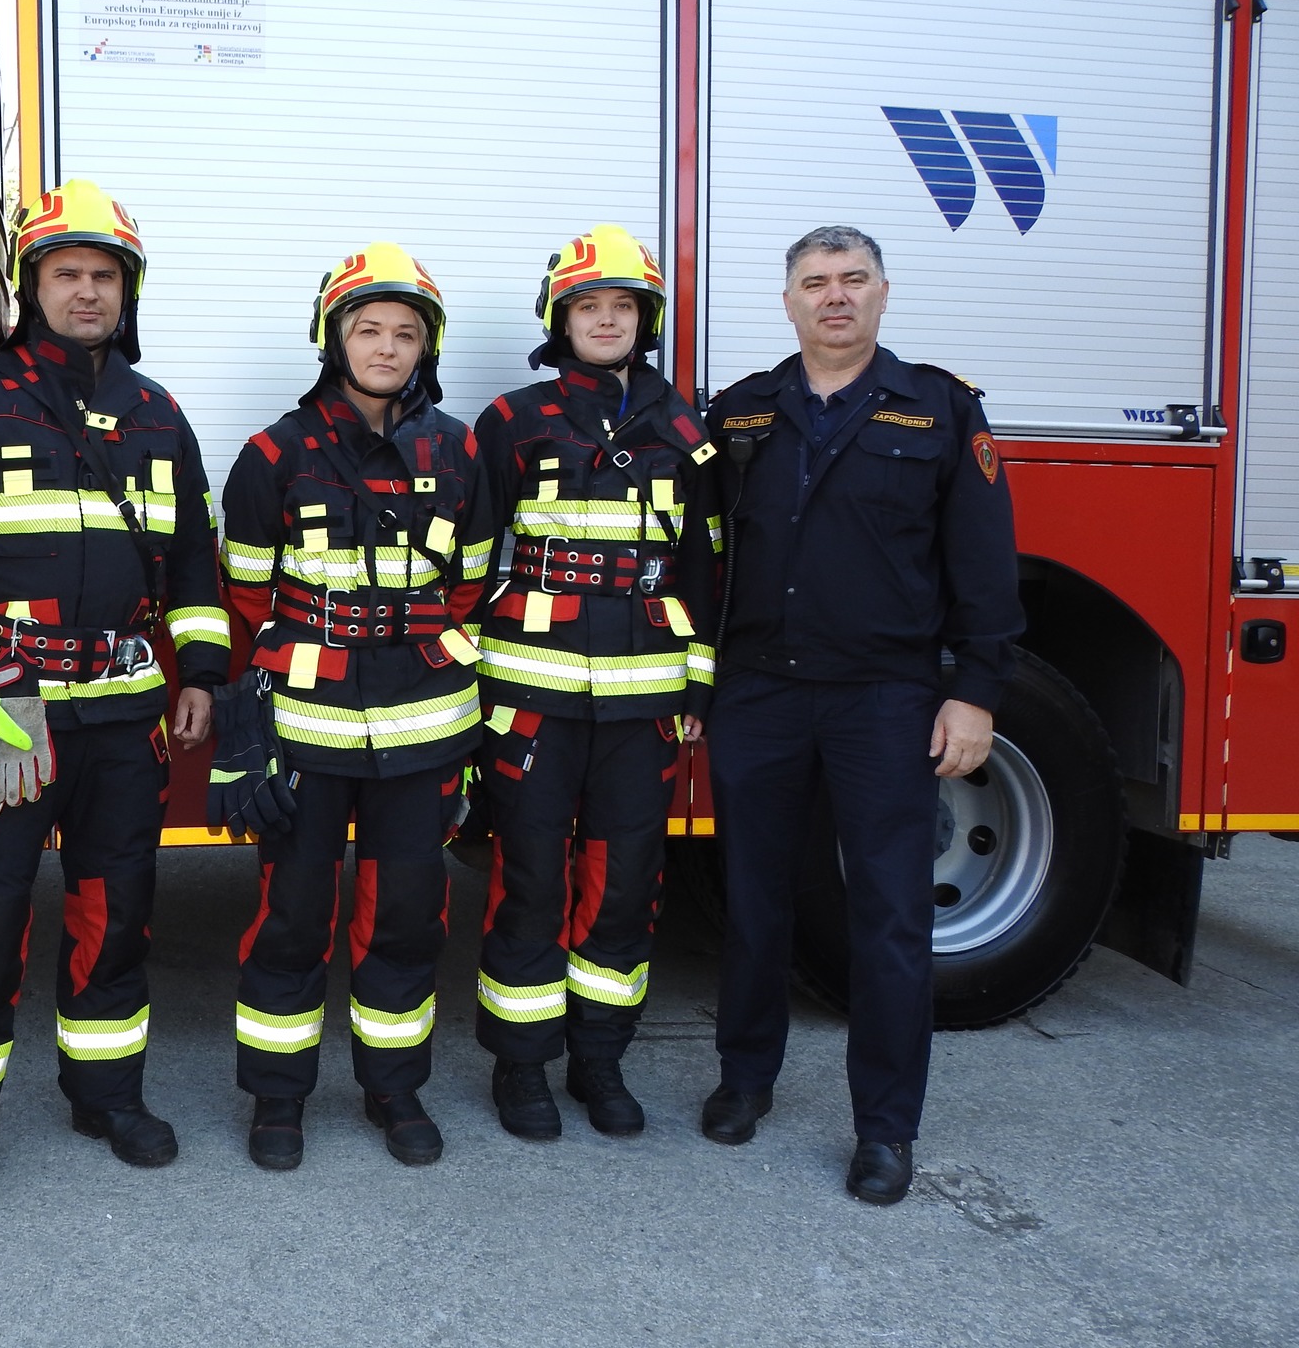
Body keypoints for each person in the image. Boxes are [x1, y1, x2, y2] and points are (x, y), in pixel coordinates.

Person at [0, 179, 231, 1211]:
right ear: (31, 287)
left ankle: (107, 1097)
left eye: (104, 275)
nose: (86, 291)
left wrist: (203, 672)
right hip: (8, 707)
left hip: (123, 713)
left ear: (127, 291)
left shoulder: (158, 414)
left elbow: (193, 564)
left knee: (115, 913)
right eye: (67, 273)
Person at [701, 225, 1021, 1203]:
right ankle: (744, 1078)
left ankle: (884, 1128)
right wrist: (694, 683)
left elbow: (982, 562)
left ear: (882, 293)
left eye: (852, 280)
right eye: (814, 282)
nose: (833, 296)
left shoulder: (939, 407)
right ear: (788, 302)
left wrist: (975, 691)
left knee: (888, 916)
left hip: (883, 700)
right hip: (756, 692)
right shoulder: (740, 411)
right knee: (751, 901)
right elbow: (700, 556)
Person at [216, 243, 492, 1170]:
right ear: (334, 340)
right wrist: (248, 733)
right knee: (292, 918)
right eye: (368, 329)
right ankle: (277, 1099)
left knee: (407, 916)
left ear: (426, 348)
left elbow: (469, 585)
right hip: (307, 728)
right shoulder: (274, 453)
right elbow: (245, 598)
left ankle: (394, 1090)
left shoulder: (459, 450)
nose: (386, 347)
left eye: (405, 334)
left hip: (425, 726)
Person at [469, 225, 720, 1141]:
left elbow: (705, 565)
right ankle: (521, 1067)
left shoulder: (687, 429)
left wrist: (697, 687)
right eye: (588, 306)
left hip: (645, 698)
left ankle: (601, 1061)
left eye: (623, 307)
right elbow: (469, 558)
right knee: (530, 877)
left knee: (624, 883)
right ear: (559, 318)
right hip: (528, 693)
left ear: (646, 320)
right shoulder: (511, 420)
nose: (606, 320)